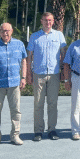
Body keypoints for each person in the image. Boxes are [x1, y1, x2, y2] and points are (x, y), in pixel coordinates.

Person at [0, 23, 27, 147]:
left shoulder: (19, 44)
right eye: (2, 31)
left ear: (12, 31)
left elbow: (24, 61)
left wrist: (23, 77)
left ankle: (15, 135)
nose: (5, 33)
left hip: (14, 83)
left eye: (7, 30)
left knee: (16, 110)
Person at [26, 12, 67, 142]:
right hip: (38, 74)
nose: (47, 22)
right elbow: (29, 56)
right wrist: (28, 74)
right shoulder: (34, 36)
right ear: (41, 21)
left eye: (50, 20)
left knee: (52, 103)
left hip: (54, 74)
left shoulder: (59, 35)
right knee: (38, 104)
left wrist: (63, 72)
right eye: (45, 20)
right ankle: (38, 131)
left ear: (53, 21)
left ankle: (52, 130)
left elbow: (63, 54)